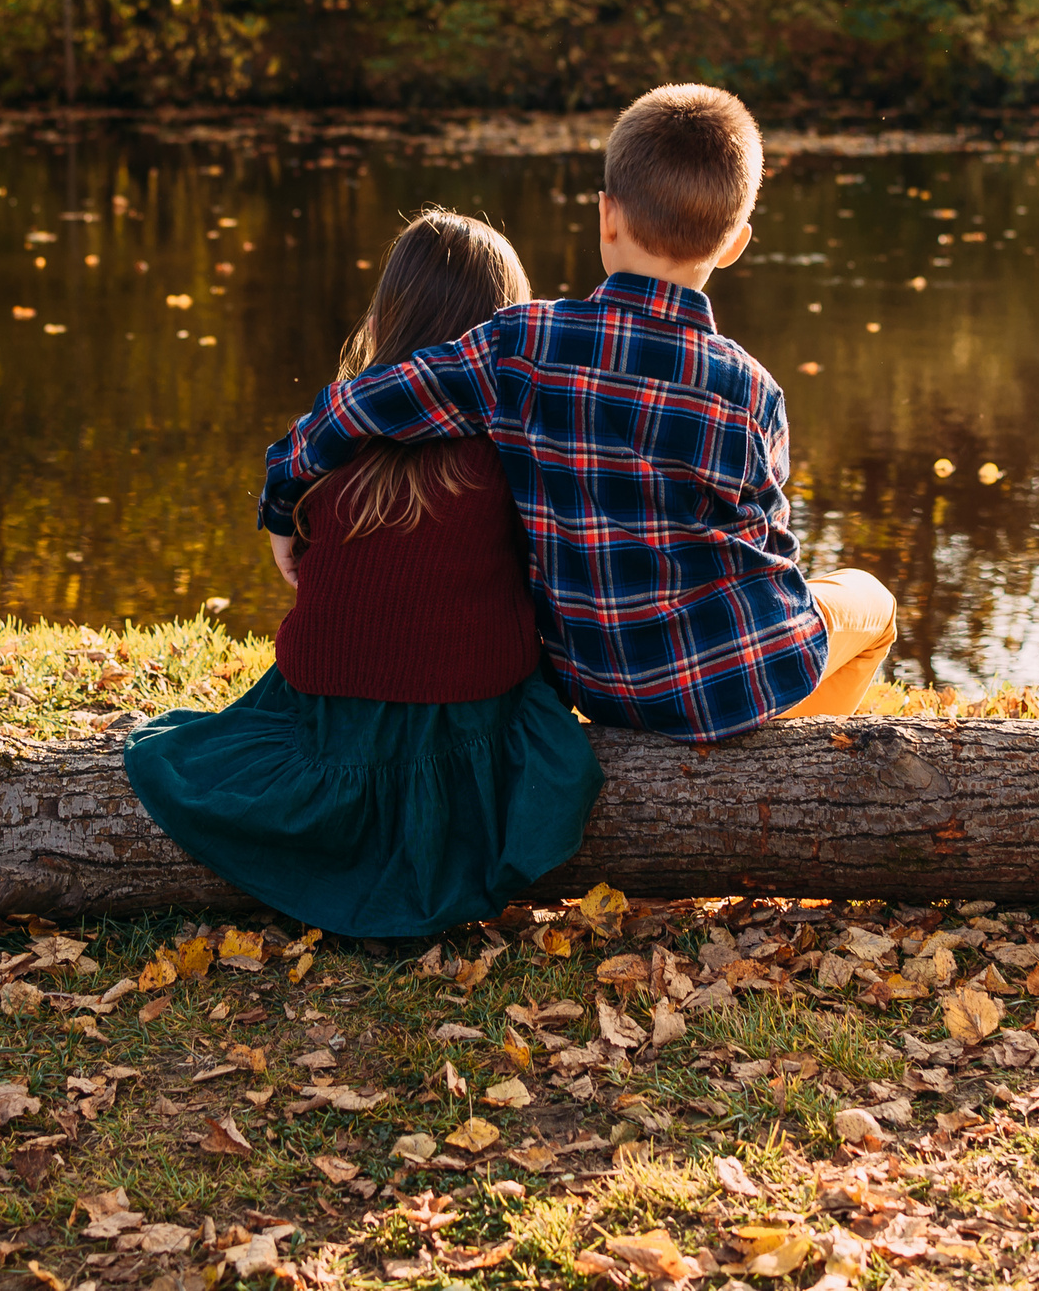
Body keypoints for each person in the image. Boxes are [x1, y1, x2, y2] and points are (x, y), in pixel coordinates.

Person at [259, 83, 896, 744]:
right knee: (873, 604)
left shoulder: (522, 344)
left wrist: (284, 498)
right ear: (734, 243)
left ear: (607, 217)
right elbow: (767, 549)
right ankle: (795, 761)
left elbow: (360, 403)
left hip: (592, 683)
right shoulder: (750, 391)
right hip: (729, 682)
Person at [123, 210, 604, 938]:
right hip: (470, 733)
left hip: (332, 729)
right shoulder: (511, 455)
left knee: (192, 750)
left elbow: (319, 580)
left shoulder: (332, 445)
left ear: (384, 321)